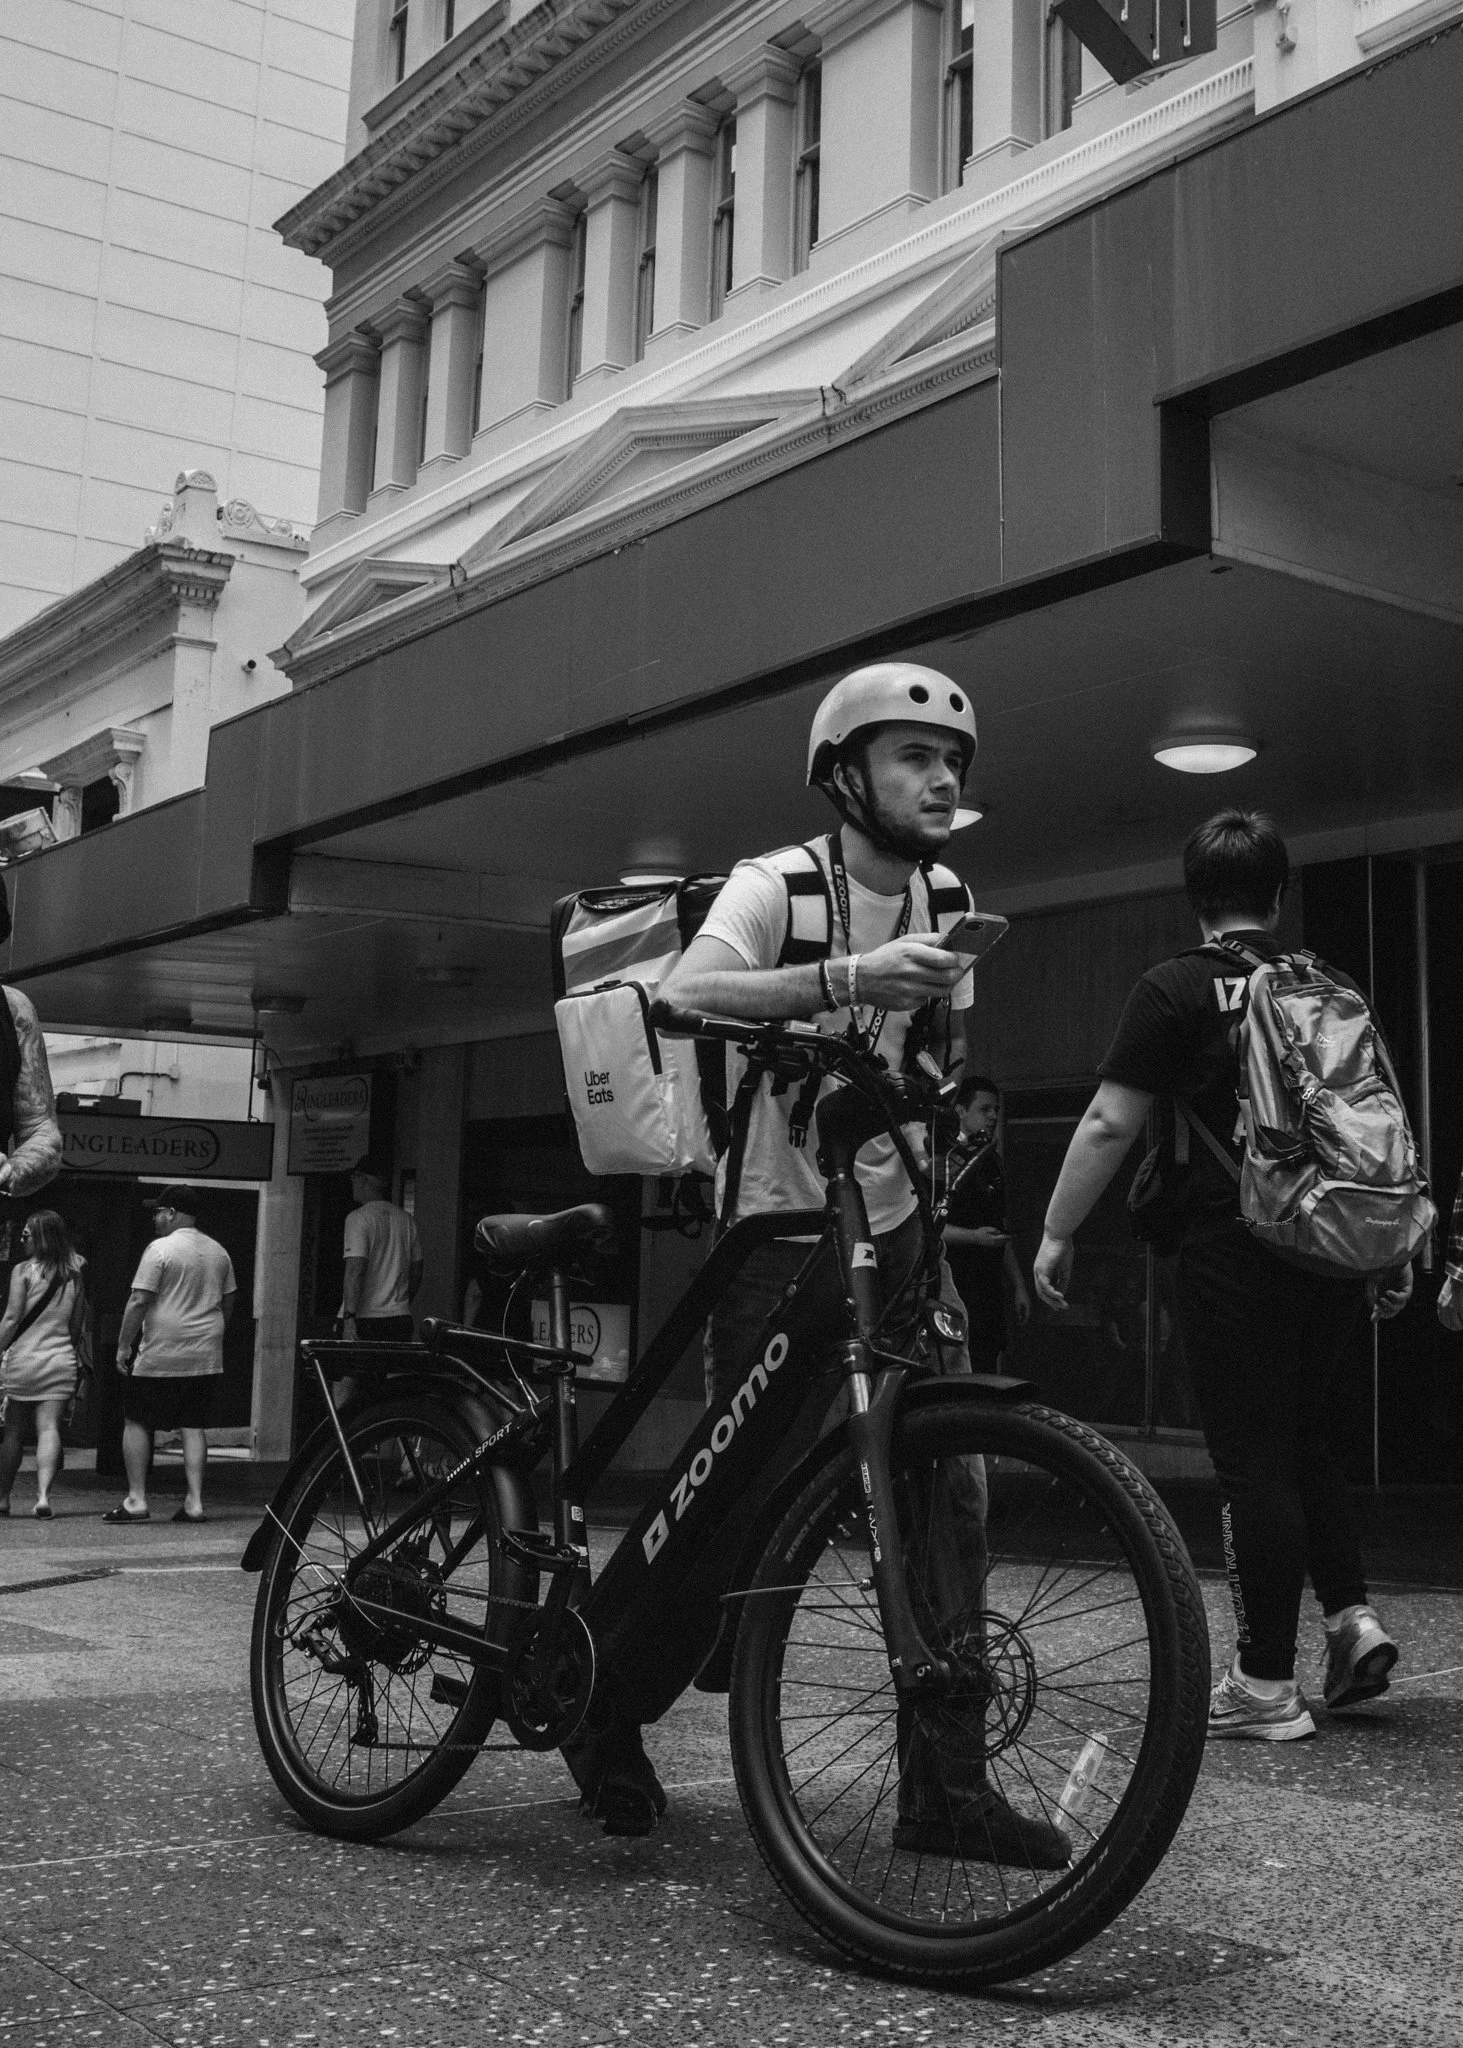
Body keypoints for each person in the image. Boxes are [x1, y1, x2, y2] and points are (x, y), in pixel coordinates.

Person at [573, 661, 1069, 1867]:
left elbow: (937, 1054)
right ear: (845, 775)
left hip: (897, 1233)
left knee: (950, 1493)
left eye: (951, 760)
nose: (941, 777)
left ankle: (945, 1790)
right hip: (778, 1235)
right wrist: (843, 979)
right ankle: (605, 1707)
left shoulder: (947, 894)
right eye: (913, 756)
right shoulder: (778, 884)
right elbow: (682, 995)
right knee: (736, 1505)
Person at [1033, 809, 1408, 1740]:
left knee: (1251, 1463)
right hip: (1329, 1241)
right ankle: (1350, 1619)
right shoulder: (1329, 984)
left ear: (1195, 898)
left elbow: (1108, 1123)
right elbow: (1377, 1119)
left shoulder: (1173, 987)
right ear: (1277, 894)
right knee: (1307, 1439)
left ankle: (1264, 1685)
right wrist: (1394, 1243)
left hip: (1231, 1248)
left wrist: (1055, 1230)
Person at [107, 1185, 236, 1525]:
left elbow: (139, 1299)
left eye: (158, 1211)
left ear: (172, 1213)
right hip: (205, 1352)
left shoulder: (160, 1249)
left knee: (136, 1419)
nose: (154, 1218)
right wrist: (213, 1335)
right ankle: (194, 1502)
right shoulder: (219, 1252)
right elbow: (229, 1301)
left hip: (162, 1351)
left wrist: (124, 1345)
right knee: (193, 1424)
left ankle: (136, 1499)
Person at [940, 1074, 1031, 1371]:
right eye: (984, 1109)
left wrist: (1018, 1285)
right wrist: (974, 1237)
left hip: (989, 1287)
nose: (993, 1116)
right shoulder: (942, 1159)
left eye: (996, 1110)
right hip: (954, 1281)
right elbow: (927, 1227)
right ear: (961, 1110)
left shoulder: (990, 1160)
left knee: (986, 1360)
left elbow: (998, 1226)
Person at [0, 1211, 88, 1518]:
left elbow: (12, 1318)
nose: (21, 1240)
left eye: (26, 1234)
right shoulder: (74, 1273)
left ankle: (3, 1499)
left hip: (24, 1360)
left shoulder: (23, 1271)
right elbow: (76, 1326)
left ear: (41, 1238)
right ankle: (43, 1497)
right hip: (60, 1360)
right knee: (49, 1428)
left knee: (13, 1432)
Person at [341, 1158, 421, 1341]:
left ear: (363, 1179)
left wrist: (349, 1318)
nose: (352, 1183)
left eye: (354, 1177)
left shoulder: (358, 1218)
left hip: (365, 1318)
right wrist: (402, 1301)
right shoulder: (406, 1220)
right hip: (399, 1318)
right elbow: (417, 1270)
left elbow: (355, 1270)